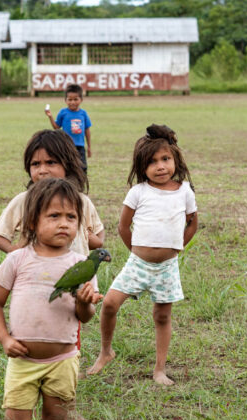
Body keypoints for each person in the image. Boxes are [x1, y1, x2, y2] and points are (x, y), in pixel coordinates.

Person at [0, 178, 103, 420]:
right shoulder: (18, 259)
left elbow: (84, 318)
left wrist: (83, 302)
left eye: (71, 217)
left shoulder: (81, 264)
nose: (64, 223)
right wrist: (4, 339)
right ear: (32, 222)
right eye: (54, 216)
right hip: (23, 363)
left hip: (63, 361)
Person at [0, 129, 104, 420]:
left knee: (70, 347)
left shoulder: (81, 201)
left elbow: (99, 237)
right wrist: (19, 255)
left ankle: (65, 406)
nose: (42, 170)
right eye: (35, 164)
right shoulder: (25, 199)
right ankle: (25, 399)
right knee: (34, 340)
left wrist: (82, 235)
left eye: (50, 162)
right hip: (35, 287)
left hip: (74, 291)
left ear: (68, 164)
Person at [87, 124, 198, 386]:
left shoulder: (184, 191)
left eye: (165, 159)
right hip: (138, 263)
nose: (160, 166)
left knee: (162, 315)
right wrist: (136, 251)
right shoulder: (138, 192)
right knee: (110, 303)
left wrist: (176, 246)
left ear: (175, 159)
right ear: (141, 167)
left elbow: (192, 223)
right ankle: (106, 352)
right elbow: (123, 226)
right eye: (152, 162)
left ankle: (159, 369)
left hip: (168, 267)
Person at [45, 84, 92, 171]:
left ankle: (80, 184)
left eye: (75, 99)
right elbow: (56, 127)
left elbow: (87, 130)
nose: (72, 102)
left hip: (80, 146)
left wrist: (89, 147)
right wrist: (50, 116)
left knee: (82, 168)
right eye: (70, 99)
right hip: (66, 146)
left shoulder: (83, 114)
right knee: (67, 167)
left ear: (81, 100)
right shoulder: (63, 112)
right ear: (65, 100)